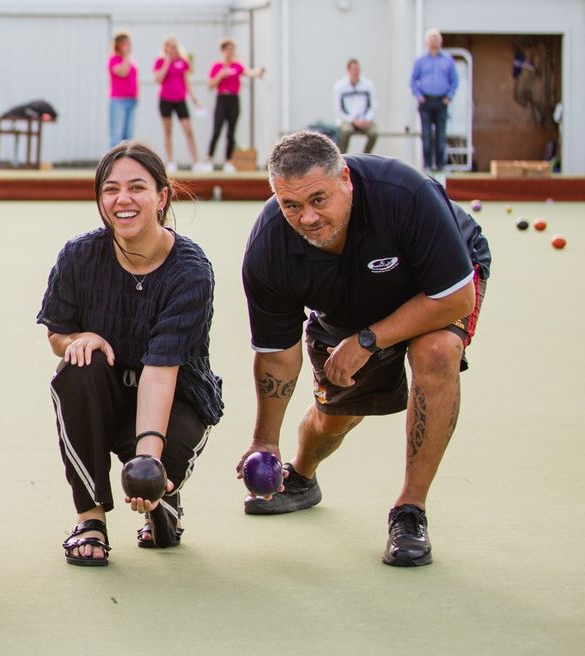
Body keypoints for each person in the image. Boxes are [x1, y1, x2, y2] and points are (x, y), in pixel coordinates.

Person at [238, 131, 491, 567]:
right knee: (336, 412)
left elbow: (455, 298)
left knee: (436, 351)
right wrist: (265, 440)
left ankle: (410, 511)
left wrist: (368, 340)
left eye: (319, 199)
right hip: (346, 297)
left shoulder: (405, 193)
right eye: (291, 205)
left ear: (346, 179)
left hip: (434, 285)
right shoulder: (269, 248)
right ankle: (301, 476)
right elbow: (278, 354)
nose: (308, 218)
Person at [38, 141, 223, 566]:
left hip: (176, 396)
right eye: (110, 189)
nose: (122, 199)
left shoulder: (191, 271)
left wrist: (147, 464)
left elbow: (161, 372)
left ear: (161, 197)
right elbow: (57, 334)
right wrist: (78, 340)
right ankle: (90, 519)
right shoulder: (79, 255)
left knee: (160, 471)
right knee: (78, 368)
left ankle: (164, 501)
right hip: (110, 394)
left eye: (137, 187)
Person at [199, 38, 264, 173]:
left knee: (231, 131)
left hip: (234, 100)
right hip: (222, 98)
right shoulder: (217, 66)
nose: (230, 52)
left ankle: (228, 160)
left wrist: (258, 71)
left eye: (232, 49)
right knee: (217, 129)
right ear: (223, 51)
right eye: (228, 49)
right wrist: (221, 75)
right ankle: (209, 158)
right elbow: (210, 85)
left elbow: (248, 73)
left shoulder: (237, 66)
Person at [410, 29, 459, 172]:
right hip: (425, 101)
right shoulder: (420, 61)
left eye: (436, 41)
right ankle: (427, 165)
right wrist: (419, 96)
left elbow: (455, 81)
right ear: (427, 43)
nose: (434, 44)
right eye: (431, 41)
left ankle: (440, 165)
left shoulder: (447, 60)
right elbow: (413, 80)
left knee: (440, 135)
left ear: (440, 42)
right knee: (426, 135)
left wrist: (449, 97)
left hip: (441, 101)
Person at [153, 36, 202, 171]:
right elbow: (158, 78)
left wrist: (194, 98)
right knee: (168, 131)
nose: (172, 49)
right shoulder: (160, 61)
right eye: (169, 46)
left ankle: (196, 161)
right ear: (165, 48)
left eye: (174, 46)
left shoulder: (183, 62)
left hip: (180, 100)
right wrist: (167, 63)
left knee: (188, 130)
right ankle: (170, 161)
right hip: (165, 100)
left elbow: (187, 82)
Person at [333, 58, 378, 154]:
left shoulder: (368, 85)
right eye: (354, 70)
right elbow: (339, 109)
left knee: (373, 133)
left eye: (358, 70)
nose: (356, 73)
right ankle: (343, 157)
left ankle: (366, 156)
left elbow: (373, 105)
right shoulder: (339, 87)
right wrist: (353, 120)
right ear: (348, 70)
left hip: (364, 119)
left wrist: (367, 119)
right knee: (345, 131)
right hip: (347, 120)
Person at [108, 31, 138, 148]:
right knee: (117, 135)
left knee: (129, 136)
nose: (128, 46)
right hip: (118, 101)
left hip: (131, 100)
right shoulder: (114, 59)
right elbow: (123, 72)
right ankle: (112, 164)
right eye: (125, 43)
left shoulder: (131, 60)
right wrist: (125, 55)